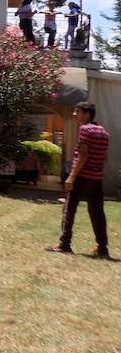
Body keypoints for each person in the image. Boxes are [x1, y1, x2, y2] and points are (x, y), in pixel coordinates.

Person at [47, 102, 110, 258]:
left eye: (78, 112)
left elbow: (83, 155)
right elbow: (105, 158)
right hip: (97, 179)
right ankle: (102, 247)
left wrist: (72, 176)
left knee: (69, 210)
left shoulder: (85, 129)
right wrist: (95, 171)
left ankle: (64, 245)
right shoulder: (103, 132)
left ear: (87, 114)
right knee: (97, 213)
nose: (75, 114)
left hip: (82, 177)